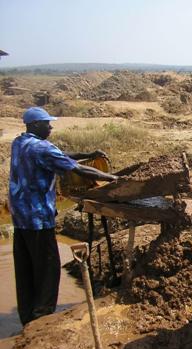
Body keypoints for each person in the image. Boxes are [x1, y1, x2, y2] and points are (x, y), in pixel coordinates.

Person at [9, 107, 118, 326]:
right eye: (47, 123)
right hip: (38, 218)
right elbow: (78, 170)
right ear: (36, 125)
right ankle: (42, 320)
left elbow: (60, 157)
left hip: (20, 217)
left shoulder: (20, 143)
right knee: (48, 270)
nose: (51, 127)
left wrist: (88, 154)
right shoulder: (42, 148)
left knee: (25, 269)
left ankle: (27, 317)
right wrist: (113, 178)